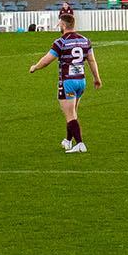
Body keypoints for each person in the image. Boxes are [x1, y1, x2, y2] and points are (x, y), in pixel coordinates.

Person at [28, 10, 97, 153]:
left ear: (64, 25)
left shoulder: (61, 42)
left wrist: (35, 67)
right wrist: (97, 78)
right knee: (72, 112)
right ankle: (68, 141)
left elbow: (47, 60)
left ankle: (80, 144)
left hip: (67, 82)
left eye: (60, 23)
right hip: (81, 81)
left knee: (69, 114)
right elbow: (91, 60)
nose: (59, 25)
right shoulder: (85, 40)